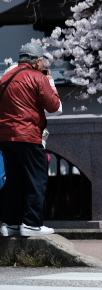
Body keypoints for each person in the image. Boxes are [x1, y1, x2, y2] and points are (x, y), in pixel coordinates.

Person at [0, 42, 61, 237]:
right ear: (38, 61)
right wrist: (50, 83)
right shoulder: (37, 77)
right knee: (37, 179)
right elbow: (54, 107)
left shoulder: (5, 77)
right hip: (28, 135)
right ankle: (32, 223)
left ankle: (10, 223)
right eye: (42, 62)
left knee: (14, 181)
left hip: (5, 136)